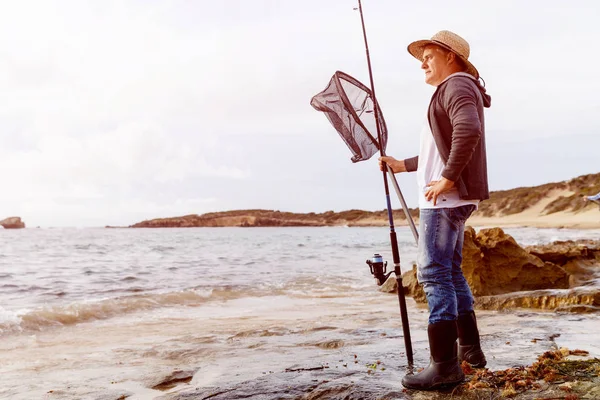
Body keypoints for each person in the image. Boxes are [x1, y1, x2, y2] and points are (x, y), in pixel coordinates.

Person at [379, 30, 491, 391]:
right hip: (453, 197)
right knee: (450, 272)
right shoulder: (454, 89)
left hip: (445, 199)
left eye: (429, 55)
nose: (423, 63)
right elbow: (439, 150)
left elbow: (468, 130)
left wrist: (446, 178)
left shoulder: (456, 86)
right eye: (421, 57)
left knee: (433, 275)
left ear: (451, 57)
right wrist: (403, 165)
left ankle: (443, 368)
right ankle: (469, 353)